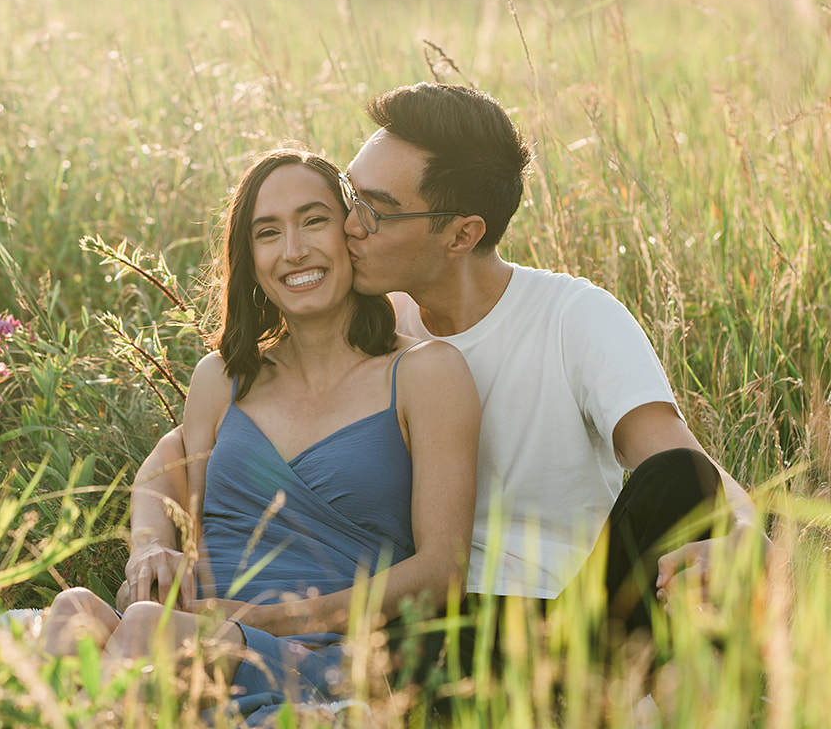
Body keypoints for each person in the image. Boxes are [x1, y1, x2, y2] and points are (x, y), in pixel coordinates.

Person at [123, 84, 761, 680]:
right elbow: (188, 445)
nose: (349, 227)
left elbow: (678, 456)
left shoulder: (573, 317)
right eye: (350, 198)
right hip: (422, 620)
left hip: (560, 606)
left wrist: (743, 538)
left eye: (376, 212)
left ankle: (593, 680)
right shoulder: (379, 329)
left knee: (677, 482)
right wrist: (148, 545)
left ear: (462, 234)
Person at [41, 146, 481, 723]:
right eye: (268, 232)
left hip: (322, 651)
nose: (294, 250)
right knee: (75, 608)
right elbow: (167, 464)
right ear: (249, 258)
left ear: (352, 232)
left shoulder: (427, 373)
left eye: (314, 220)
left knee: (144, 631)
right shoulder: (222, 378)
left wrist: (258, 619)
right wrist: (150, 553)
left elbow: (443, 571)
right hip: (192, 629)